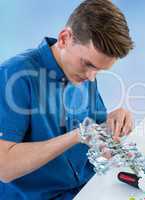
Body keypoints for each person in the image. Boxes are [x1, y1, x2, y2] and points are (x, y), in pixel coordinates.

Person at [0, 0, 134, 199]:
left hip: (89, 189)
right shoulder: (14, 76)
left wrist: (113, 120)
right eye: (88, 64)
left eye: (99, 70)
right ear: (64, 38)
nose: (91, 77)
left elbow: (93, 130)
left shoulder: (84, 72)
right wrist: (75, 136)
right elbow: (5, 167)